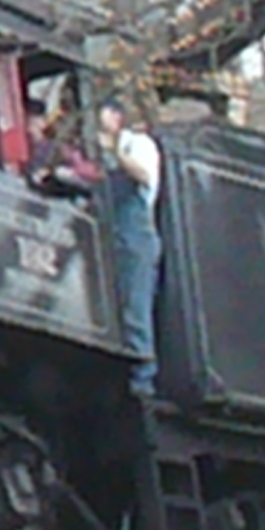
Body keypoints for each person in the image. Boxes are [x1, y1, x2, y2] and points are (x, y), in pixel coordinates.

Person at [97, 99, 163, 398]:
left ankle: (142, 380)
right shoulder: (100, 150)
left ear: (117, 116)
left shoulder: (139, 144)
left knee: (135, 309)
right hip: (111, 230)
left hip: (136, 232)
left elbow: (143, 175)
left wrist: (116, 152)